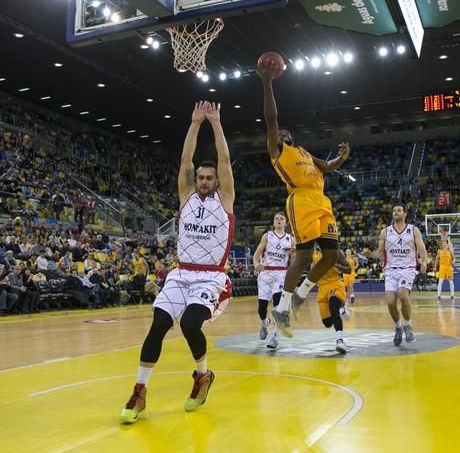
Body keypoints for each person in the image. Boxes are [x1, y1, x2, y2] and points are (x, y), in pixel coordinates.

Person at [120, 102, 234, 424]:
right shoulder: (186, 196)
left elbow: (224, 159)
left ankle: (203, 376)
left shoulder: (224, 200)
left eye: (209, 177)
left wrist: (216, 123)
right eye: (201, 177)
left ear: (216, 180)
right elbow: (185, 159)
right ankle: (139, 392)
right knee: (157, 325)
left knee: (188, 325)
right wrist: (195, 123)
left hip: (211, 278)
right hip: (181, 274)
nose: (204, 181)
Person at [257, 60, 350, 338]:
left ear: (292, 137)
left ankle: (300, 295)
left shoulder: (305, 153)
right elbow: (271, 119)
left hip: (322, 202)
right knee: (305, 254)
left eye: (286, 133)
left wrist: (341, 159)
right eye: (279, 133)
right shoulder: (278, 151)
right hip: (300, 201)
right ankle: (283, 307)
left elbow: (328, 166)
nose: (281, 133)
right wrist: (267, 82)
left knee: (331, 255)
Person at [368, 204, 428, 346]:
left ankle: (408, 325)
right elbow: (381, 253)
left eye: (399, 210)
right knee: (390, 301)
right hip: (390, 270)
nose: (396, 212)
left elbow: (421, 248)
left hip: (408, 268)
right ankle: (398, 327)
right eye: (394, 210)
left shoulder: (413, 230)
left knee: (402, 295)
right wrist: (371, 255)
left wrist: (424, 261)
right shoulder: (385, 232)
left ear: (405, 214)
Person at [252, 212, 295, 349]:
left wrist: (293, 254)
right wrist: (256, 264)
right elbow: (256, 255)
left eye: (281, 219)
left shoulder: (290, 239)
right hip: (265, 273)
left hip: (281, 273)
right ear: (273, 222)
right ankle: (265, 322)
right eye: (276, 218)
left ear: (285, 223)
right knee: (261, 309)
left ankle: (275, 337)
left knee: (278, 306)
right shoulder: (267, 236)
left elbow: (293, 261)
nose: (279, 221)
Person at [313, 248, 351, 353]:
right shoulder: (313, 253)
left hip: (335, 284)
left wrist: (335, 265)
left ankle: (340, 341)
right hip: (321, 288)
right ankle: (341, 308)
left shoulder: (337, 252)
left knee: (333, 306)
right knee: (328, 323)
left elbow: (348, 269)